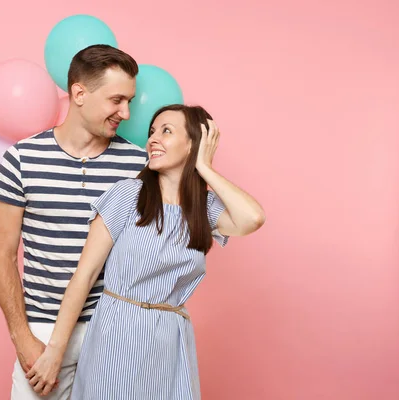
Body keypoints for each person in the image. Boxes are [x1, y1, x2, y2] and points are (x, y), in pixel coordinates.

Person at [24, 104, 266, 399]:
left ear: (194, 144)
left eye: (166, 131)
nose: (152, 139)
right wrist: (54, 353)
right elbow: (84, 277)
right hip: (117, 332)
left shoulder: (203, 209)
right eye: (152, 131)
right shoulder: (128, 194)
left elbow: (252, 218)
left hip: (169, 340)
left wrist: (204, 167)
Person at [0, 44, 148, 399]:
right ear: (79, 93)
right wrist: (22, 337)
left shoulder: (138, 166)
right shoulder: (22, 159)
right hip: (43, 334)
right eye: (116, 100)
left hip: (112, 332)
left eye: (129, 102)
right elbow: (2, 255)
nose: (125, 112)